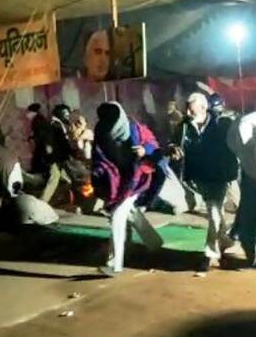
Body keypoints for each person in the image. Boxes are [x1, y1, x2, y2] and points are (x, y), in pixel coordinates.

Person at [91, 102, 164, 276]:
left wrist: (144, 150)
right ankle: (154, 242)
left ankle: (114, 265)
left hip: (136, 180)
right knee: (128, 213)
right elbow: (99, 158)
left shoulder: (137, 130)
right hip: (116, 182)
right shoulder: (101, 132)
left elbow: (156, 149)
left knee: (117, 217)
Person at [169, 93, 238, 272]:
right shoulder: (184, 126)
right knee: (216, 212)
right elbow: (173, 143)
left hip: (219, 175)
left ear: (203, 107)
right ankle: (226, 240)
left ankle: (210, 254)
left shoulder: (221, 124)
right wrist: (173, 149)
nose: (187, 113)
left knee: (214, 212)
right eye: (187, 109)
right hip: (198, 176)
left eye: (191, 110)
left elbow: (234, 144)